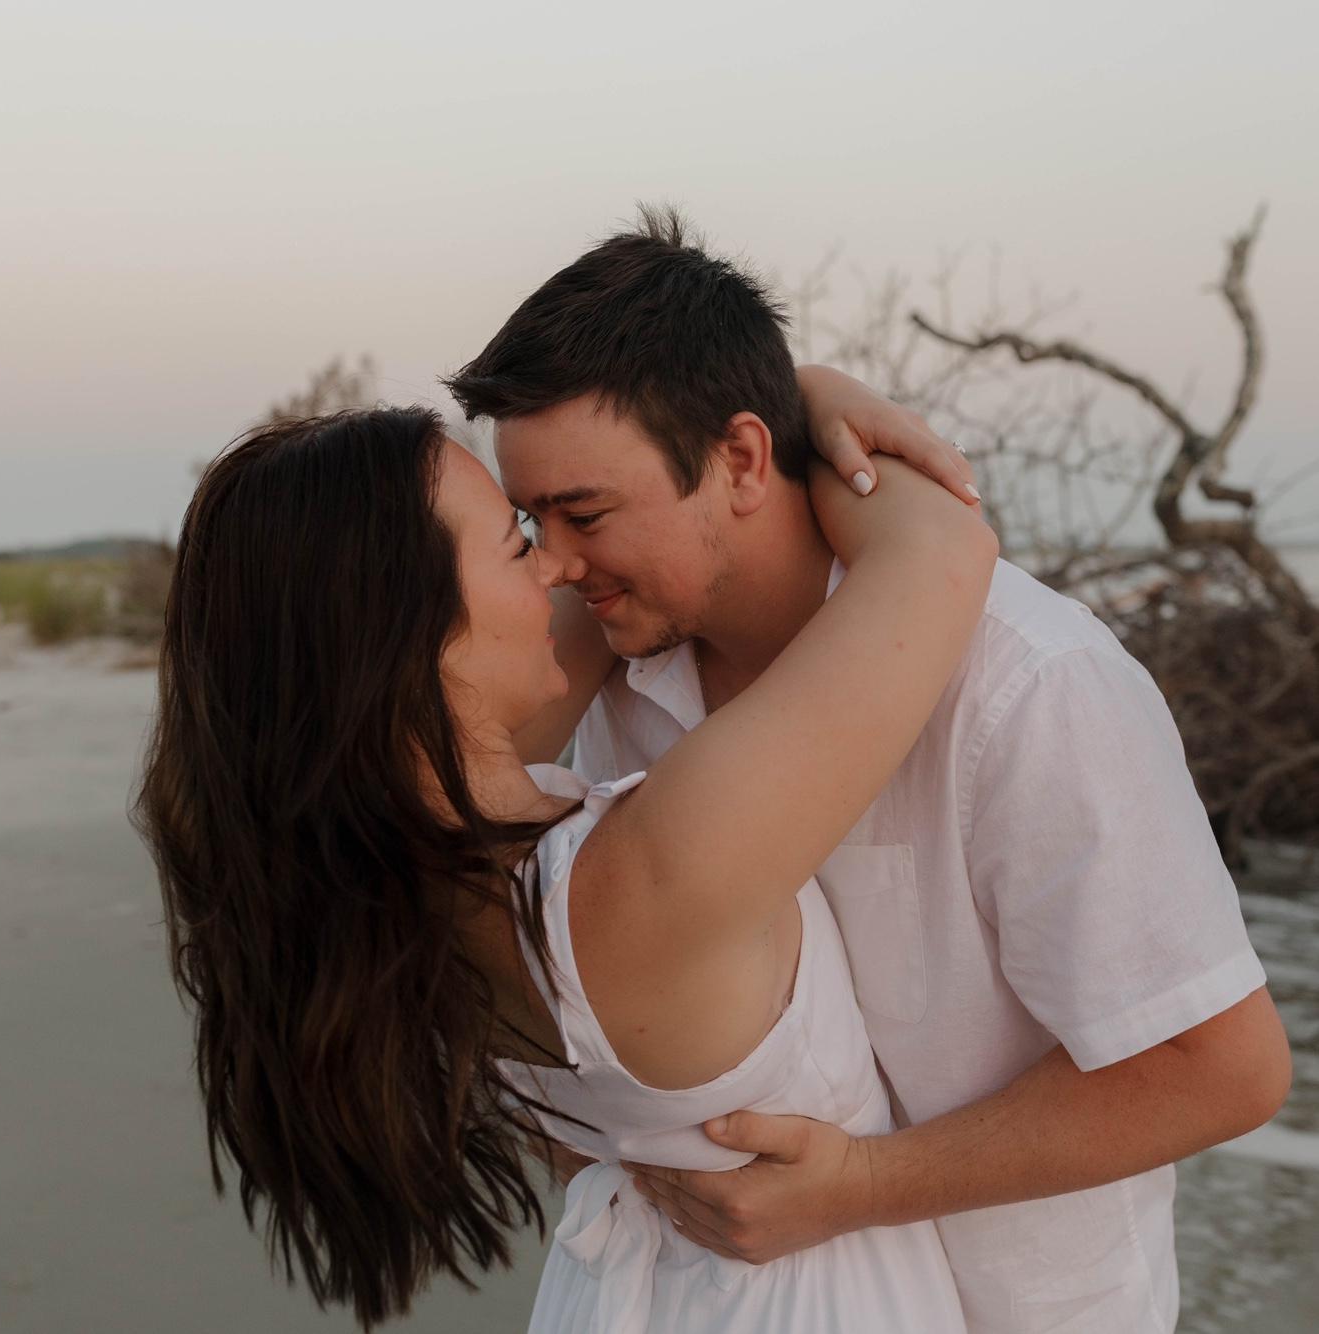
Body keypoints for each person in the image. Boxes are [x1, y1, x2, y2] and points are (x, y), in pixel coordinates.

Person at [446, 207, 1294, 1333]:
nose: (554, 562)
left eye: (584, 512)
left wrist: (859, 1187)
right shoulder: (622, 662)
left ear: (742, 459)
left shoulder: (1030, 684)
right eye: (530, 519)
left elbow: (1220, 1068)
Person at [137, 395, 998, 1331]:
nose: (558, 565)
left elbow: (598, 605)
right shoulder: (650, 872)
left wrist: (730, 400)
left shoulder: (375, 875)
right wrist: (798, 400)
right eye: (518, 545)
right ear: (411, 631)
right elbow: (943, 551)